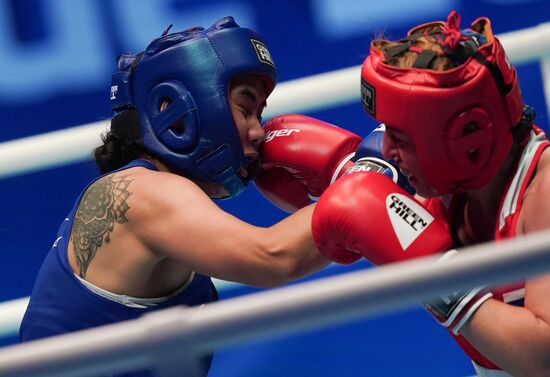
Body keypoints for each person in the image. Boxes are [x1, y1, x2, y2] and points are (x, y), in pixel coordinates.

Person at [18, 16, 373, 377]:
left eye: (260, 114)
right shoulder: (143, 193)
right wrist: (370, 172)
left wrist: (347, 189)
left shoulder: (159, 195)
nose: (258, 133)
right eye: (245, 109)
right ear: (171, 108)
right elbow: (273, 257)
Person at [311, 10, 550, 377]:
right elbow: (326, 234)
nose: (386, 149)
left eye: (401, 137)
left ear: (465, 139)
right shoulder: (448, 191)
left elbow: (544, 359)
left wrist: (441, 279)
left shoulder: (543, 192)